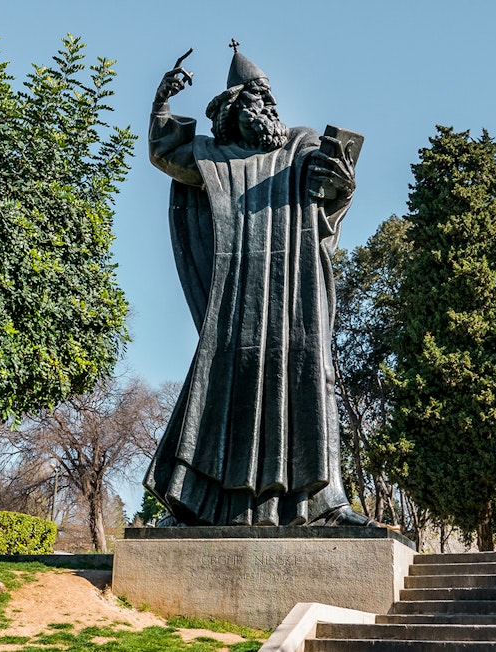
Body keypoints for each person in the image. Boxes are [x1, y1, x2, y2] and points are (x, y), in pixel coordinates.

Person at [144, 44, 372, 527]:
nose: (269, 107)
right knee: (225, 386)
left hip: (296, 292)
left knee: (312, 378)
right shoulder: (213, 157)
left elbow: (330, 192)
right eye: (257, 99)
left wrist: (343, 185)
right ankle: (198, 504)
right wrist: (162, 103)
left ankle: (326, 502)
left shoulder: (301, 145)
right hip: (236, 298)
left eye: (270, 99)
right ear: (233, 110)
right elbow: (166, 153)